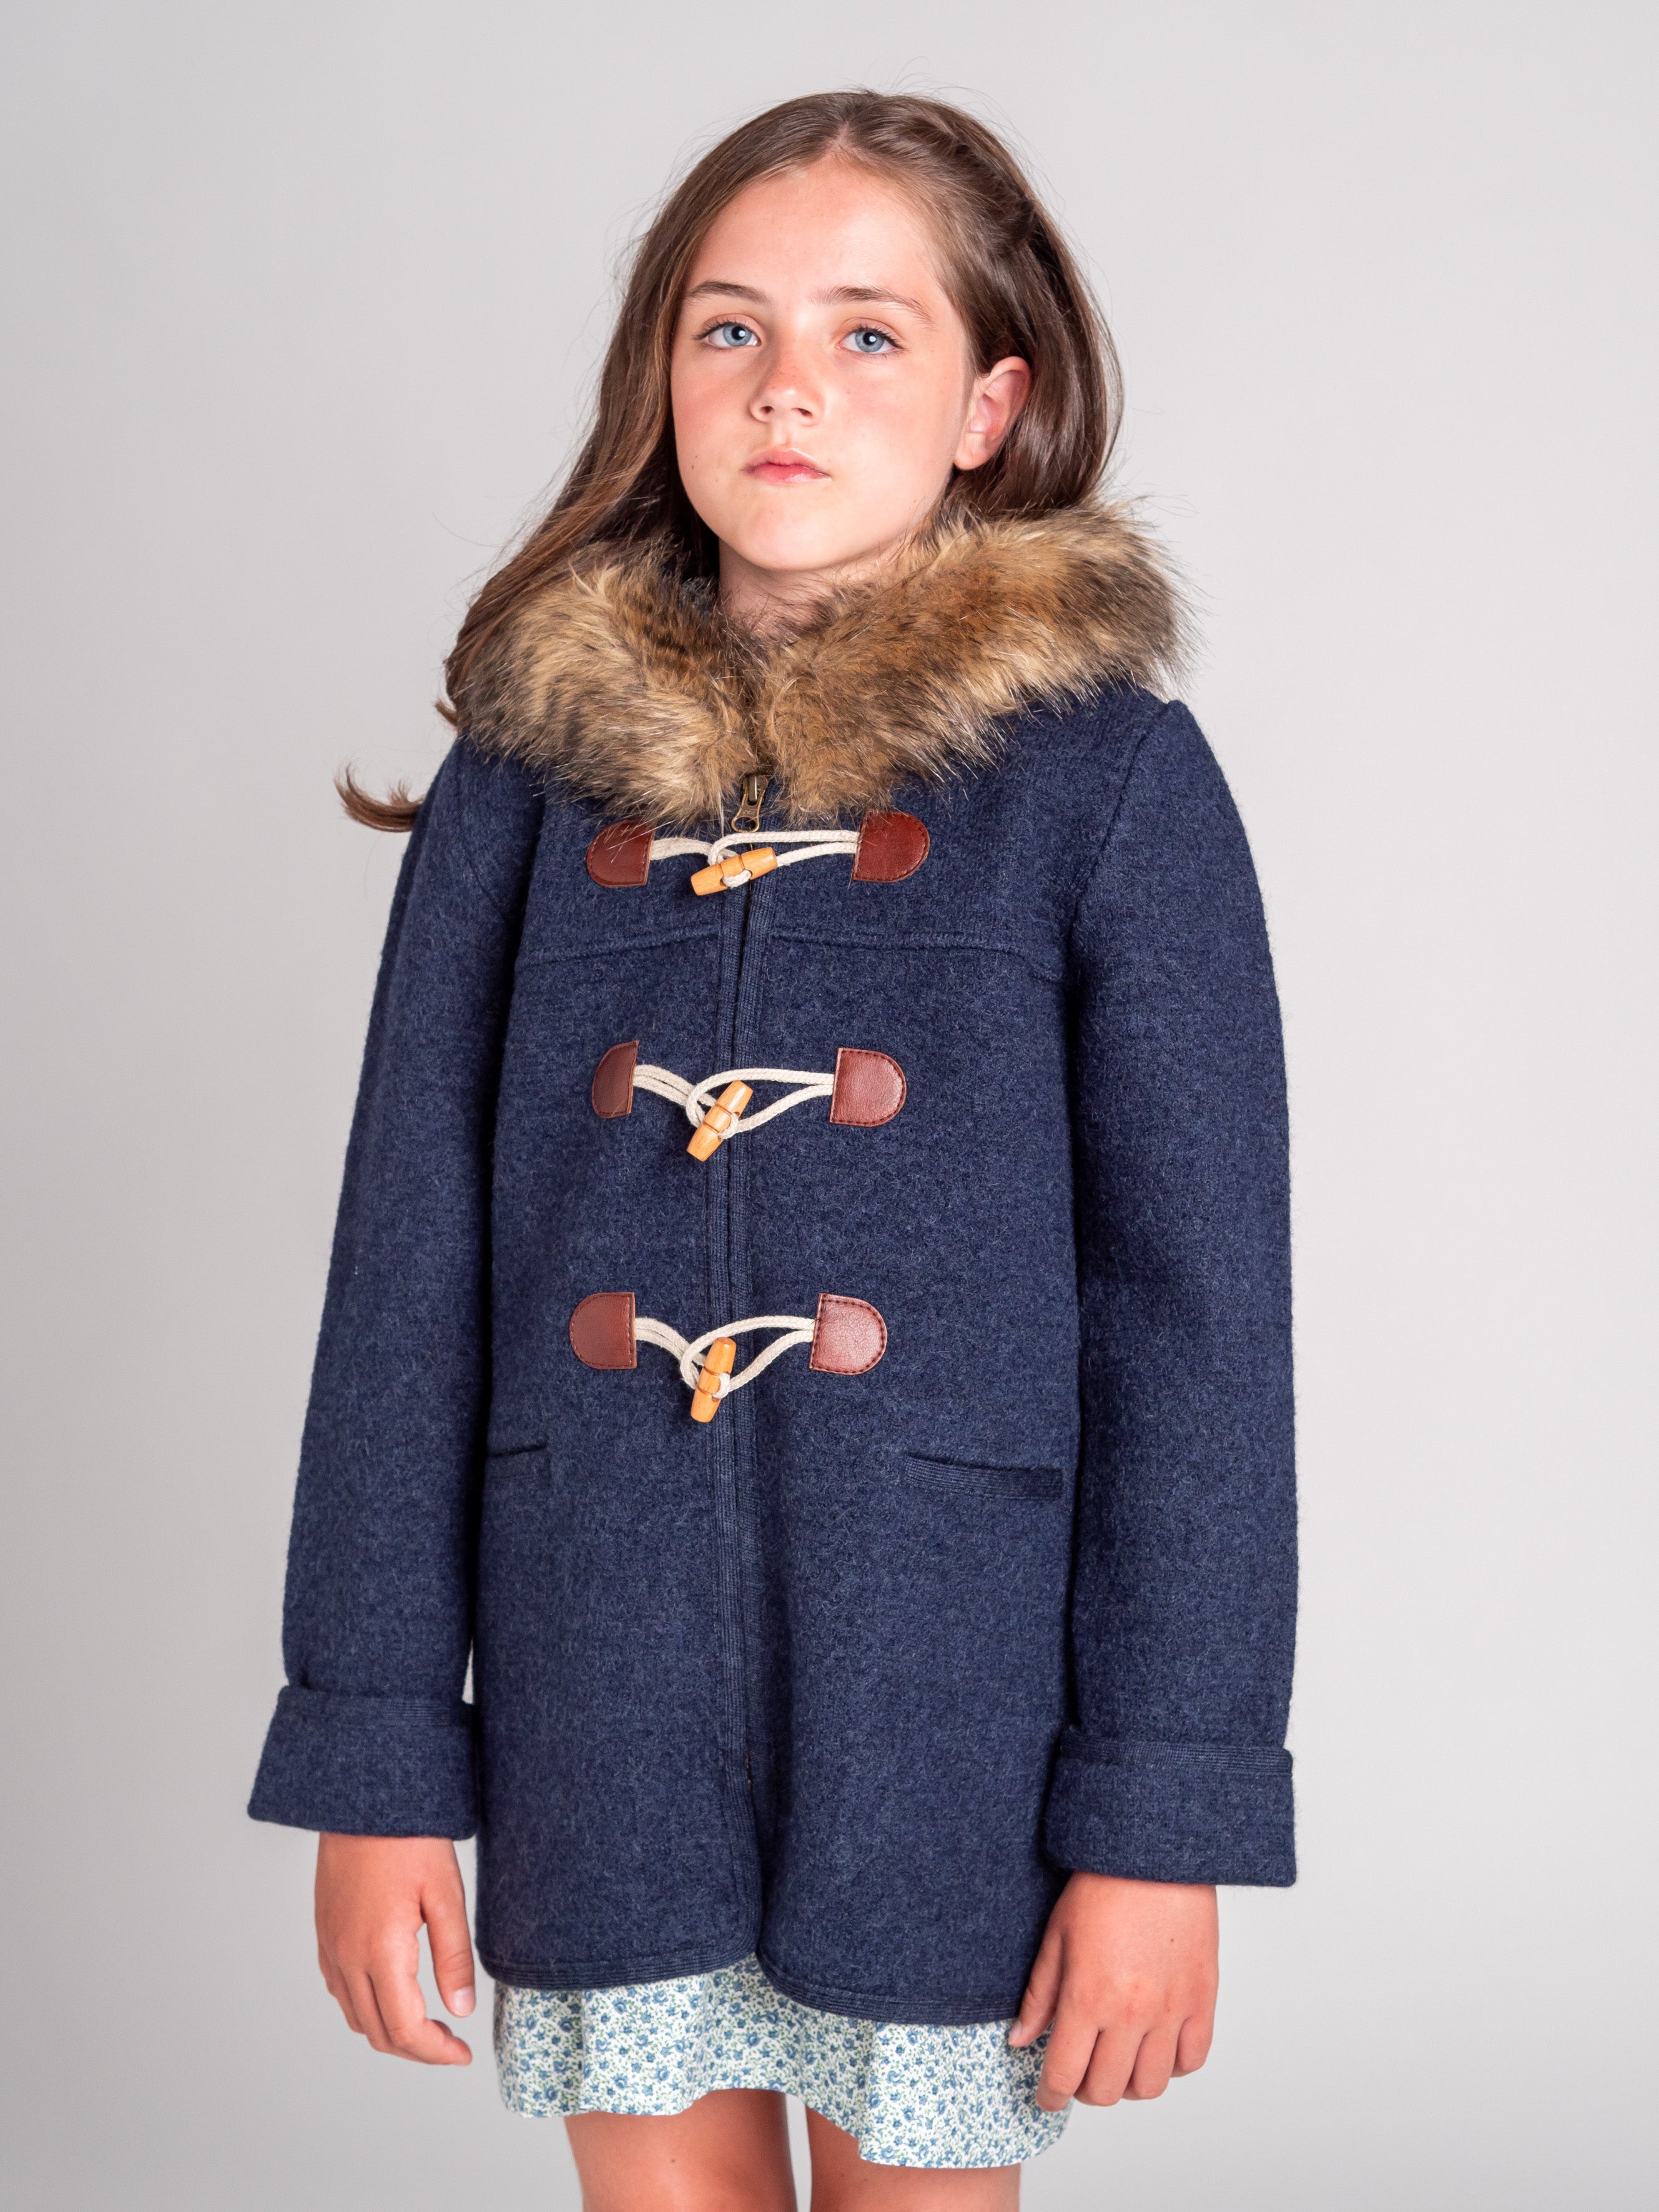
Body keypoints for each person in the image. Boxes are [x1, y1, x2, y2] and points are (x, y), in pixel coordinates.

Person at [250, 87, 1297, 2211]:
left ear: (992, 402)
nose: (785, 386)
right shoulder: (524, 786)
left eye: (866, 333)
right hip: (596, 1687)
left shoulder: (1105, 784)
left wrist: (1159, 1815)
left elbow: (1196, 1341)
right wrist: (375, 1749)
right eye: (726, 328)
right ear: (661, 376)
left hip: (953, 1708)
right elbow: (403, 1283)